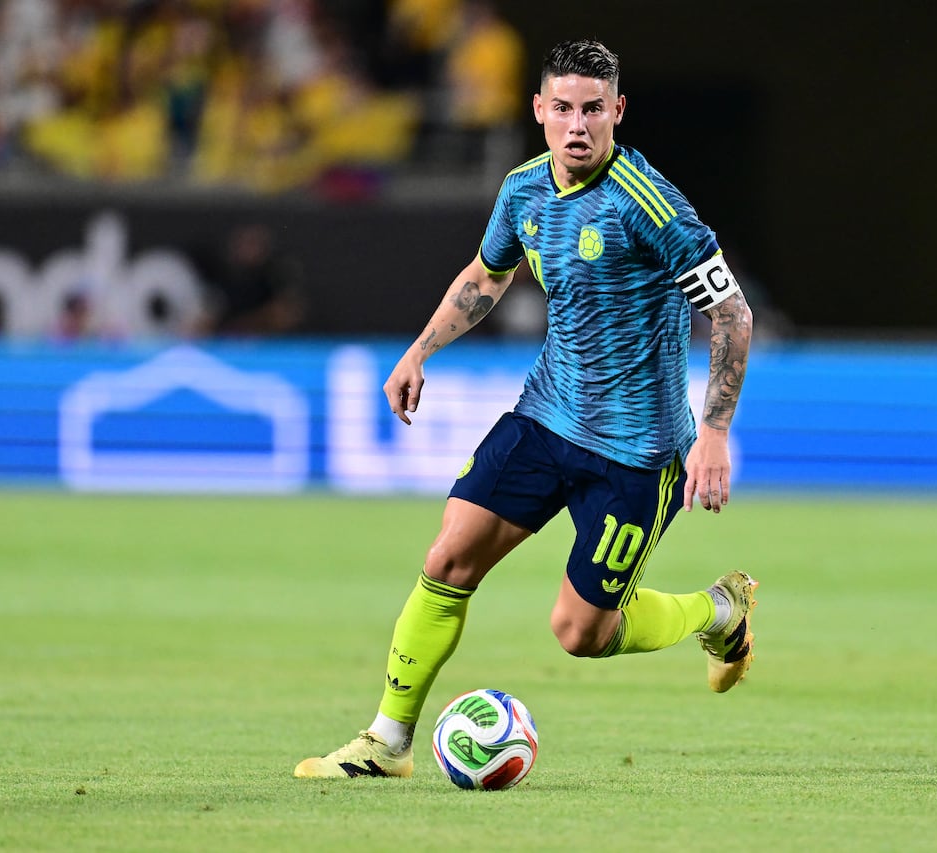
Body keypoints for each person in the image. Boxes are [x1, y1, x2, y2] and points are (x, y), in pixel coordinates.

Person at [294, 39, 757, 780]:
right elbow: (488, 274)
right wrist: (420, 350)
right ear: (539, 110)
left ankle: (718, 612)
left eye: (594, 109)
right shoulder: (523, 191)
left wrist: (714, 431)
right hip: (545, 417)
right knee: (447, 557)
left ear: (618, 112)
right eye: (563, 108)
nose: (578, 125)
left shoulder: (652, 207)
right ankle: (387, 741)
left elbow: (731, 312)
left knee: (580, 632)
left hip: (636, 452)